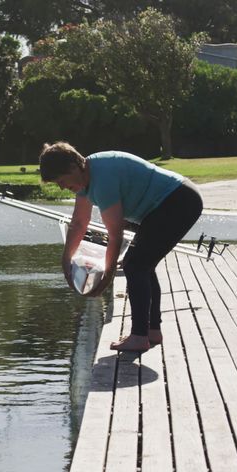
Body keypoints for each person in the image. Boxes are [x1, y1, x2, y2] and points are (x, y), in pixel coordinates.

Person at [39, 142, 203, 353]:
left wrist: (105, 279)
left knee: (135, 265)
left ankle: (139, 336)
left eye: (61, 181)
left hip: (178, 200)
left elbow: (115, 235)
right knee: (143, 264)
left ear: (73, 167)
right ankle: (151, 331)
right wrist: (65, 260)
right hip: (169, 203)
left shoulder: (102, 179)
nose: (61, 187)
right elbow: (80, 222)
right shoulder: (85, 180)